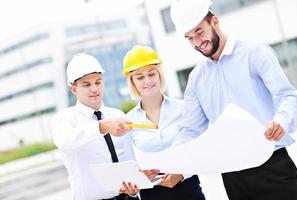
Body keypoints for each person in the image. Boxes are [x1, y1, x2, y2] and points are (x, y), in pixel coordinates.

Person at [169, 0, 297, 199]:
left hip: (273, 167)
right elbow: (190, 130)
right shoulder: (196, 79)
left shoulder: (254, 53)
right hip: (233, 176)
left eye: (199, 32)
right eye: (189, 38)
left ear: (215, 21)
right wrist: (168, 163)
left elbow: (287, 95)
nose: (196, 42)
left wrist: (281, 120)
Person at [119, 45, 206, 200]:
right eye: (140, 77)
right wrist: (135, 183)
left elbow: (199, 150)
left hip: (189, 190)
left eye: (152, 74)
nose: (147, 81)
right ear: (132, 82)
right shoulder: (128, 122)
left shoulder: (184, 108)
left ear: (159, 75)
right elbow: (129, 163)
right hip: (152, 194)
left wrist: (181, 174)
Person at [51, 53, 138, 200]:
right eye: (87, 84)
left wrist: (135, 188)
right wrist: (101, 127)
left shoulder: (116, 114)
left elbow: (129, 157)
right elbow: (65, 141)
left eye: (98, 82)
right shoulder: (65, 118)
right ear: (74, 89)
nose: (94, 89)